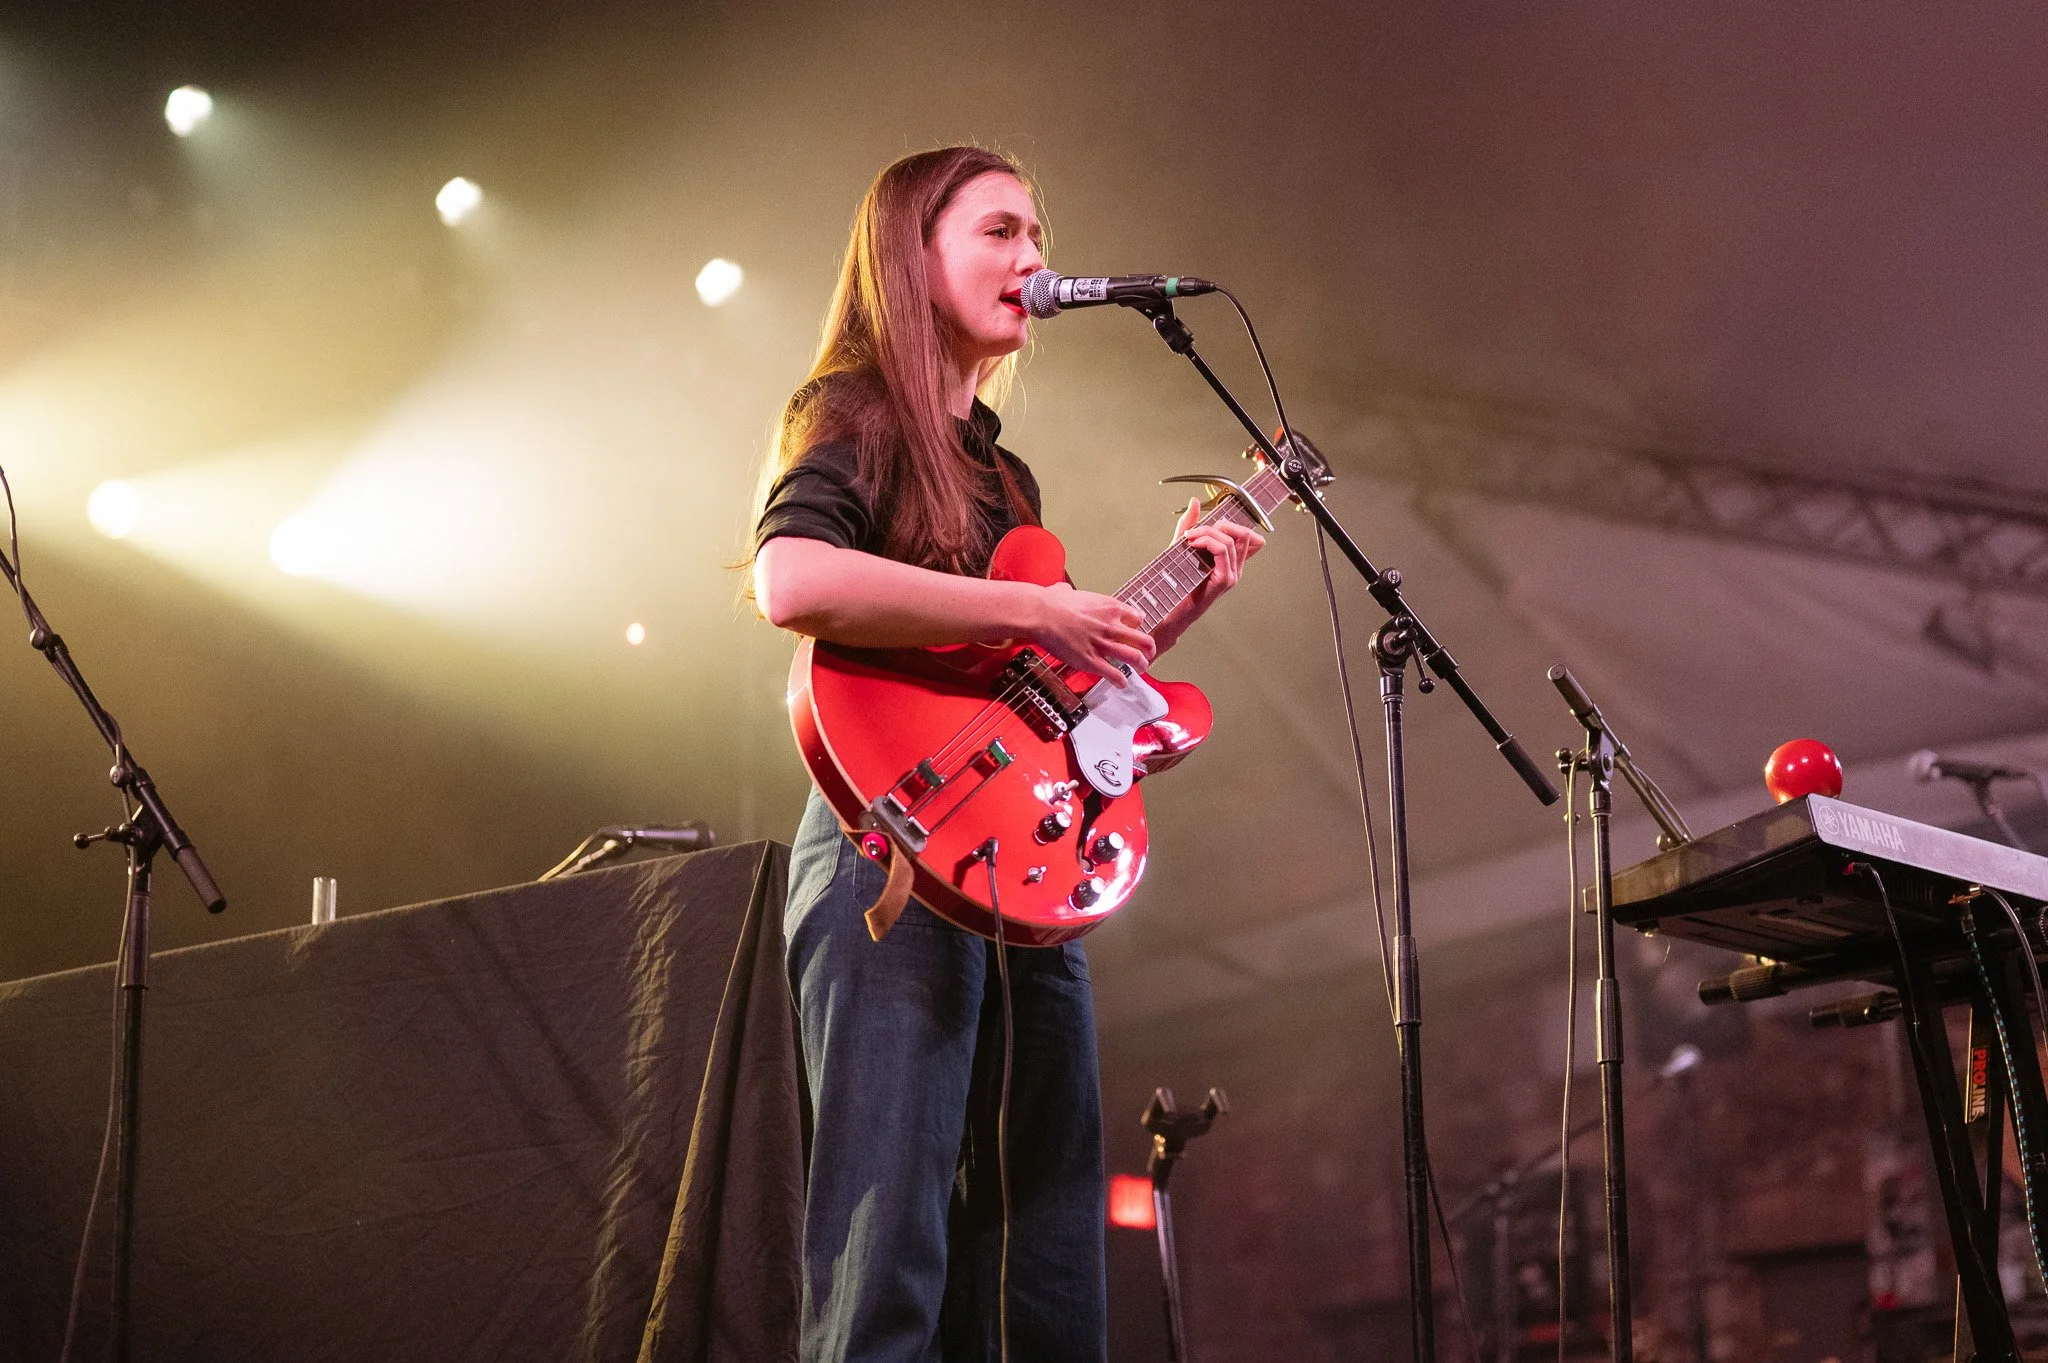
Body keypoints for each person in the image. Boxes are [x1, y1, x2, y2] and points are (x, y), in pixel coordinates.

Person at [748, 145, 1263, 1363]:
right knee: (889, 1245)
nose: (1034, 260)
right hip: (895, 850)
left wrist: (1174, 600)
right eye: (1001, 231)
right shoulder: (854, 413)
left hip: (1018, 868)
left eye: (1036, 235)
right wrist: (1040, 611)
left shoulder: (1001, 475)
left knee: (1040, 1250)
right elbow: (791, 578)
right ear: (908, 255)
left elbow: (1042, 700)